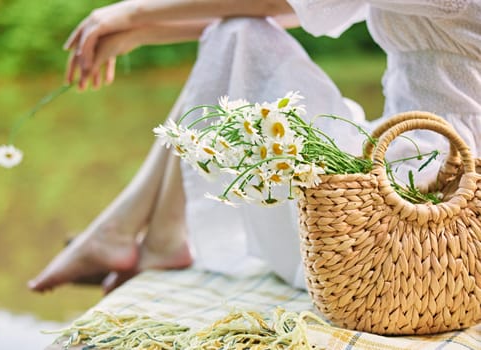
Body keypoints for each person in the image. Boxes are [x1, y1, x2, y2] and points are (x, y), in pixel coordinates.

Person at [29, 0, 481, 293]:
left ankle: (140, 234)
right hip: (419, 151)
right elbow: (283, 11)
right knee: (236, 36)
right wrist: (143, 31)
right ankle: (145, 235)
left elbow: (271, 1)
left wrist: (132, 13)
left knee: (238, 40)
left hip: (439, 176)